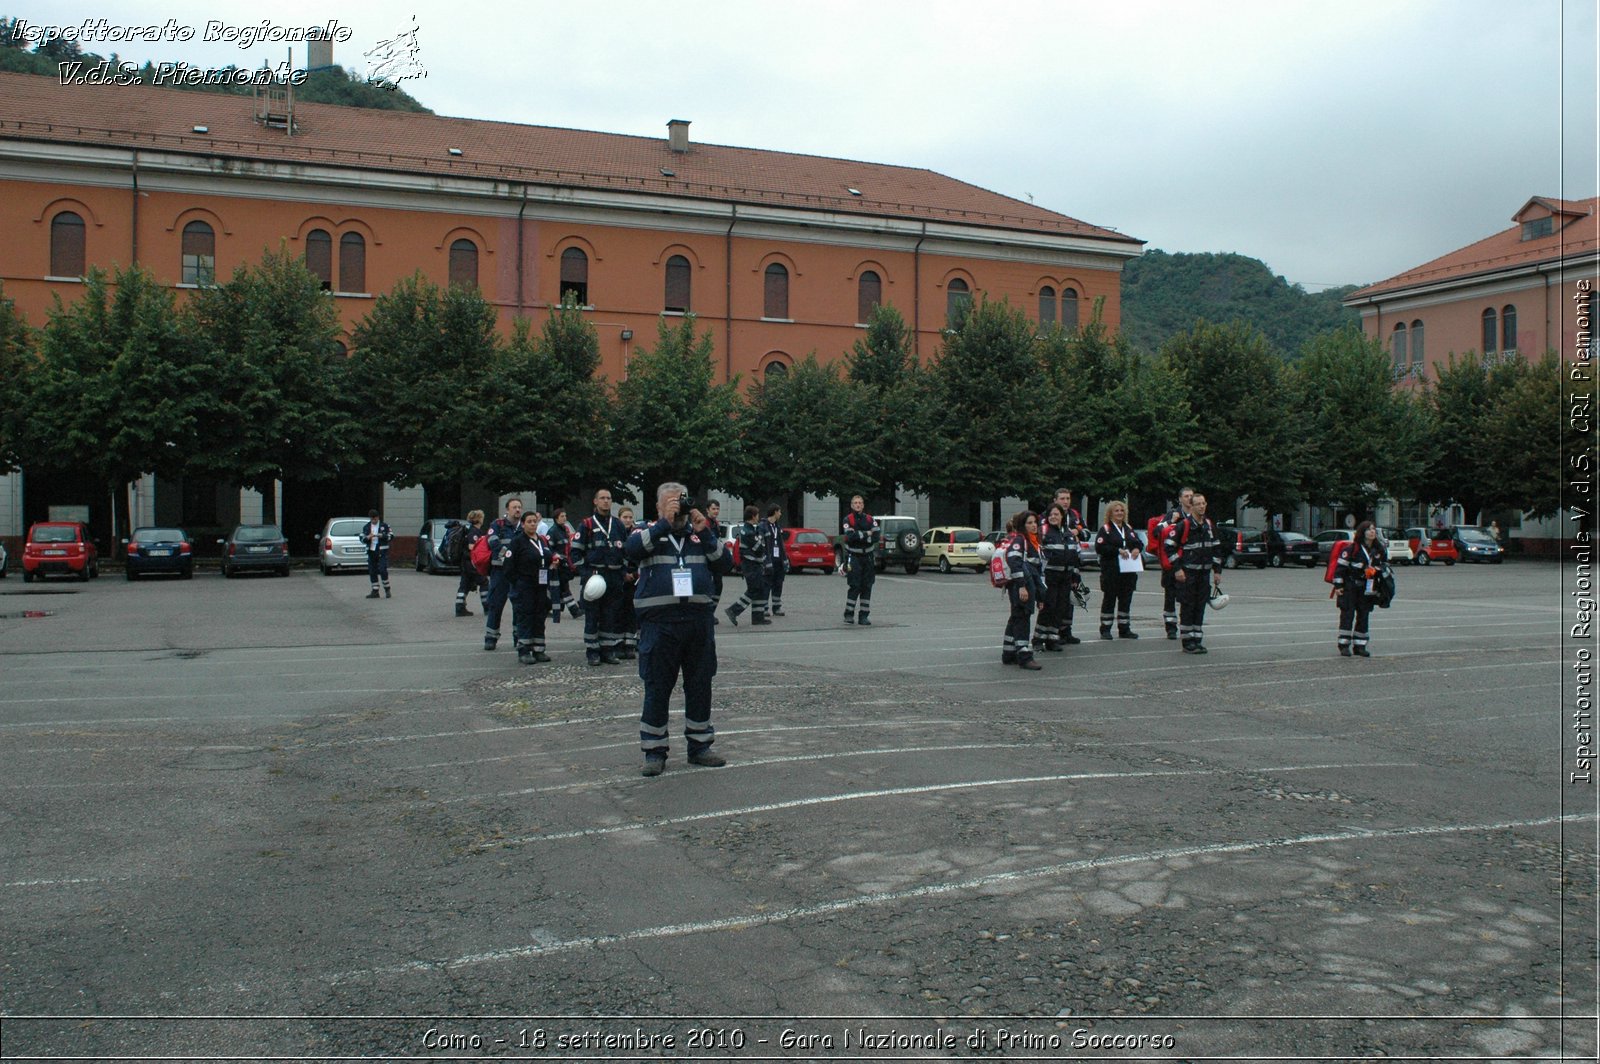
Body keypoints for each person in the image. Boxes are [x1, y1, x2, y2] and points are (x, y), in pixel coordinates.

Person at [627, 481, 735, 776]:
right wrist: (664, 524)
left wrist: (705, 531)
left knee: (700, 685)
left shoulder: (699, 534)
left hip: (697, 621)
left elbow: (725, 564)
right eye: (673, 502)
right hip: (659, 624)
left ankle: (700, 746)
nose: (680, 508)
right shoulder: (645, 530)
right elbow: (632, 550)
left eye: (683, 502)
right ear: (660, 506)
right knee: (658, 686)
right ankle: (654, 750)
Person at [1165, 492, 1224, 654]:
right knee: (1188, 607)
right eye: (1198, 504)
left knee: (1200, 608)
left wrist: (1217, 571)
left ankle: (1197, 639)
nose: (1201, 506)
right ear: (1191, 506)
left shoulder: (1209, 526)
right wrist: (1177, 569)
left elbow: (1217, 548)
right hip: (1188, 575)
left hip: (1204, 575)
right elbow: (1169, 546)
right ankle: (1187, 641)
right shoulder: (1183, 525)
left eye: (1203, 503)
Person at [576, 488, 627, 666]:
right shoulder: (586, 525)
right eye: (602, 498)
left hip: (614, 577)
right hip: (594, 577)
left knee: (610, 615)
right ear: (595, 502)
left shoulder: (618, 525)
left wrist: (624, 571)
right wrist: (586, 574)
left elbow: (626, 551)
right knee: (592, 615)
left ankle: (608, 650)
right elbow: (575, 553)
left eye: (609, 498)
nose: (606, 501)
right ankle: (592, 651)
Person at [1334, 520, 1388, 657]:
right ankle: (1344, 645)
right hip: (1350, 587)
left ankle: (1360, 645)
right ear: (1362, 532)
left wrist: (1375, 570)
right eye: (1369, 529)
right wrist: (1338, 586)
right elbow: (1340, 568)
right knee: (1347, 615)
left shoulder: (1379, 550)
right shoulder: (1352, 549)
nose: (1372, 532)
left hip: (1368, 587)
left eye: (1373, 529)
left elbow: (1384, 566)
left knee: (1364, 616)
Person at [507, 510, 554, 665]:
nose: (533, 524)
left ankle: (539, 649)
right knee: (525, 617)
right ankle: (524, 650)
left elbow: (545, 557)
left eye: (535, 521)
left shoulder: (541, 541)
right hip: (525, 585)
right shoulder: (517, 541)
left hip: (541, 585)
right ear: (523, 524)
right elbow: (508, 566)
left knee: (540, 616)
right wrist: (518, 583)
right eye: (529, 521)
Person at [1002, 510, 1046, 670]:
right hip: (1021, 586)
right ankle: (1024, 655)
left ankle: (1008, 653)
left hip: (1028, 585)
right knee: (1022, 618)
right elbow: (1014, 561)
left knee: (1015, 617)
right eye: (1029, 523)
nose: (1033, 525)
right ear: (1022, 525)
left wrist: (1040, 596)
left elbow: (1036, 571)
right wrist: (1021, 586)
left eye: (1035, 522)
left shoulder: (1033, 541)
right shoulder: (1020, 540)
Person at [1094, 500, 1143, 639]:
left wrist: (1136, 549)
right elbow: (1100, 548)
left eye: (1122, 510)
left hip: (1128, 571)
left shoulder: (1128, 528)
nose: (1120, 513)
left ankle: (1124, 628)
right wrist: (1117, 551)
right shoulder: (1106, 529)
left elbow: (1138, 543)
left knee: (1126, 600)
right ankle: (1105, 629)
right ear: (1110, 513)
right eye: (1116, 511)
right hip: (1111, 571)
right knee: (1109, 599)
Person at [1037, 502, 1082, 650]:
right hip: (1050, 577)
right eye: (1050, 514)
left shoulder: (1068, 533)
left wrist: (1076, 576)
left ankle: (1053, 639)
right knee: (1048, 607)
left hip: (1066, 577)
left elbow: (1075, 556)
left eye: (1056, 514)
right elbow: (1038, 554)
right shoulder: (1043, 531)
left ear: (1062, 516)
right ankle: (1038, 639)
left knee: (1060, 608)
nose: (1053, 517)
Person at [1151, 486, 1194, 640]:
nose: (1190, 498)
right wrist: (1170, 521)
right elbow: (1156, 531)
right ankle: (1170, 628)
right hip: (1171, 562)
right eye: (1186, 496)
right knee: (1170, 596)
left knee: (1187, 597)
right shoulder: (1173, 514)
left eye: (1191, 496)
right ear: (1180, 499)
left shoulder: (1196, 515)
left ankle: (1186, 626)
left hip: (1189, 563)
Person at [482, 498, 524, 651]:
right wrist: (509, 556)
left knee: (518, 606)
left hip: (517, 573)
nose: (517, 510)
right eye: (514, 507)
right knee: (496, 605)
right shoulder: (497, 525)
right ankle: (491, 638)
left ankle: (518, 637)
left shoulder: (524, 526)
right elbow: (492, 542)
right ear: (507, 510)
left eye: (519, 507)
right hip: (500, 572)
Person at [724, 505, 772, 626]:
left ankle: (758, 617)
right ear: (752, 516)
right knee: (754, 589)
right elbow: (759, 548)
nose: (758, 517)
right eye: (757, 515)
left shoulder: (749, 529)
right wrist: (761, 537)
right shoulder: (749, 531)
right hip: (751, 566)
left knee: (760, 589)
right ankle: (733, 610)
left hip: (753, 565)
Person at [841, 494, 881, 625]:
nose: (858, 505)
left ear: (863, 505)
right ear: (852, 505)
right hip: (854, 557)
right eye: (855, 503)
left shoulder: (870, 519)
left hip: (868, 558)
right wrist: (866, 534)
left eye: (860, 502)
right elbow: (850, 536)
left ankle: (864, 615)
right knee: (854, 585)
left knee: (867, 586)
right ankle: (849, 614)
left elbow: (876, 536)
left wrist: (861, 535)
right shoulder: (848, 519)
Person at [545, 508, 577, 624]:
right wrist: (556, 558)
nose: (565, 518)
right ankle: (574, 609)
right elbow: (549, 549)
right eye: (562, 516)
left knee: (562, 587)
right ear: (556, 518)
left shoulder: (564, 530)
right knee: (561, 587)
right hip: (557, 564)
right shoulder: (553, 532)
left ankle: (549, 607)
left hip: (565, 563)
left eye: (565, 516)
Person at [454, 509, 487, 617]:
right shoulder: (474, 532)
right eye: (482, 517)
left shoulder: (469, 530)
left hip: (465, 563)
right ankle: (487, 606)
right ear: (478, 519)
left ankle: (459, 607)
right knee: (484, 582)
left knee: (464, 584)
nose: (483, 519)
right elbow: (471, 547)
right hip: (472, 563)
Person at [616, 506, 639, 658]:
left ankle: (630, 644)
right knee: (618, 611)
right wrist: (623, 573)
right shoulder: (615, 533)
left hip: (633, 578)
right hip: (618, 577)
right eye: (625, 517)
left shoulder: (637, 534)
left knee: (631, 612)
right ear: (619, 518)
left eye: (630, 517)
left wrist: (635, 573)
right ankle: (618, 644)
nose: (628, 520)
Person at [762, 505, 790, 617]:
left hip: (778, 560)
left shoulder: (777, 527)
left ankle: (776, 607)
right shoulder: (763, 526)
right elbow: (763, 545)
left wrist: (785, 559)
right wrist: (765, 561)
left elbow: (781, 544)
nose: (780, 514)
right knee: (766, 584)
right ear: (775, 512)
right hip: (769, 560)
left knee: (778, 583)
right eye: (779, 512)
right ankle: (764, 608)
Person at [359, 509, 393, 599]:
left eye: (375, 519)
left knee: (382, 570)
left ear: (378, 517)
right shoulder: (366, 527)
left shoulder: (384, 526)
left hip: (381, 551)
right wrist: (367, 537)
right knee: (372, 571)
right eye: (372, 519)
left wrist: (382, 535)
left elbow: (391, 536)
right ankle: (375, 591)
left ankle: (387, 589)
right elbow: (362, 538)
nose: (373, 521)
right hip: (371, 551)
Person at [704, 500, 726, 621]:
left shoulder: (715, 523)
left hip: (716, 561)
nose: (716, 511)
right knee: (709, 587)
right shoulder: (705, 523)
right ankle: (707, 614)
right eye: (713, 509)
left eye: (717, 509)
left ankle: (710, 612)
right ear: (707, 510)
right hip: (708, 562)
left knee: (718, 586)